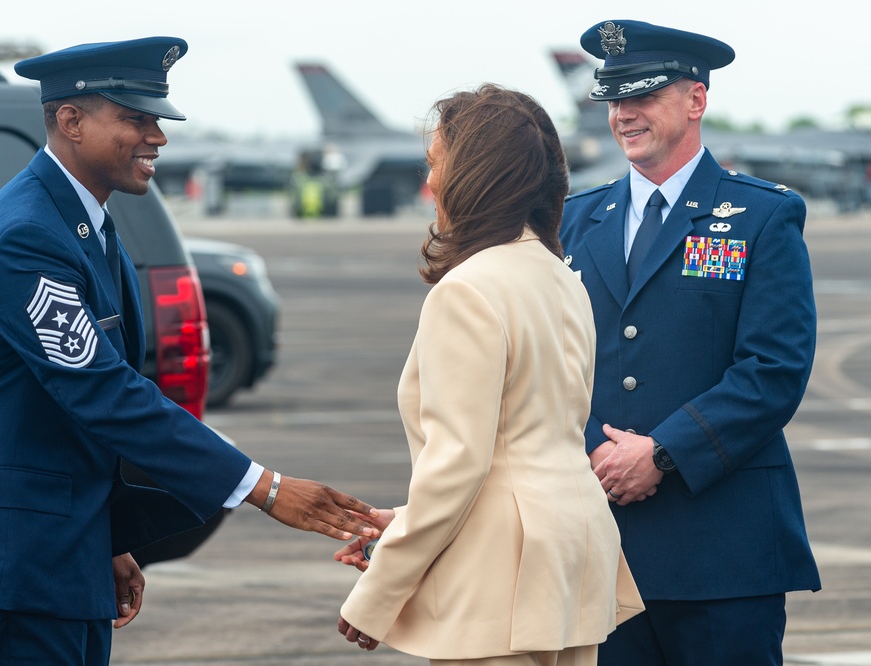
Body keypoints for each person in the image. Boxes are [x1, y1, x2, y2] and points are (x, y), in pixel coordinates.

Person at [0, 37, 379, 666]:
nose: (158, 136)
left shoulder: (80, 220)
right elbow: (102, 392)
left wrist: (101, 536)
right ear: (70, 120)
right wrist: (266, 488)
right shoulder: (26, 237)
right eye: (135, 118)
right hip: (11, 552)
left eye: (157, 119)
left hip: (55, 539)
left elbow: (84, 398)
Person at [333, 84, 643, 666]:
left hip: (501, 578)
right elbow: (523, 447)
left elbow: (461, 463)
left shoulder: (469, 289)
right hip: (571, 554)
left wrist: (380, 588)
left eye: (436, 164)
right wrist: (403, 526)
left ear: (472, 174)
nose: (431, 185)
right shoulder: (560, 277)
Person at [559, 20, 822, 665]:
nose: (625, 114)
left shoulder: (760, 216)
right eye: (615, 98)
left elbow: (774, 368)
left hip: (723, 552)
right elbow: (551, 362)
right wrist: (599, 449)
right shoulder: (573, 219)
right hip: (602, 544)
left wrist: (664, 453)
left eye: (643, 95)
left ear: (695, 100)